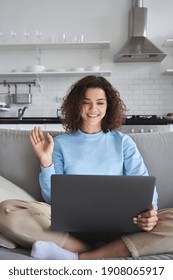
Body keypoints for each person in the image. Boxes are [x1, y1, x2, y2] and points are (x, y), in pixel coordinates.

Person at [0, 75, 172, 260]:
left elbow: (143, 184)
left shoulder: (123, 143)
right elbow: (52, 198)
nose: (93, 109)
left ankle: (81, 257)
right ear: (76, 105)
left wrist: (150, 212)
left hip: (122, 226)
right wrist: (46, 161)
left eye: (100, 103)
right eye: (86, 102)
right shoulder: (60, 144)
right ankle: (94, 251)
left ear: (108, 106)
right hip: (72, 230)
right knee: (7, 211)